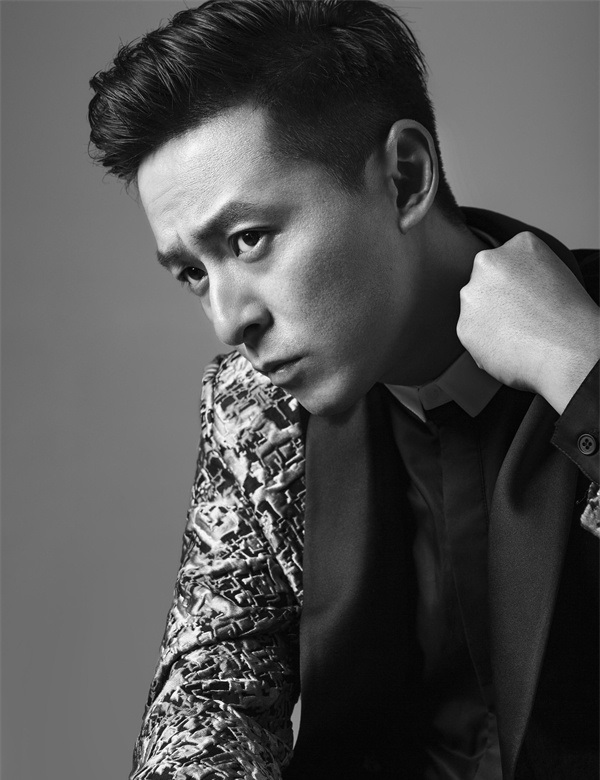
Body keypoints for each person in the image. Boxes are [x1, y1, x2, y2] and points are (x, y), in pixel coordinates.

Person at [87, 1, 599, 778]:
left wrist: (583, 371)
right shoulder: (251, 408)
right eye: (192, 272)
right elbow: (213, 696)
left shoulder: (589, 341)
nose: (227, 319)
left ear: (403, 178)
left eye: (248, 239)